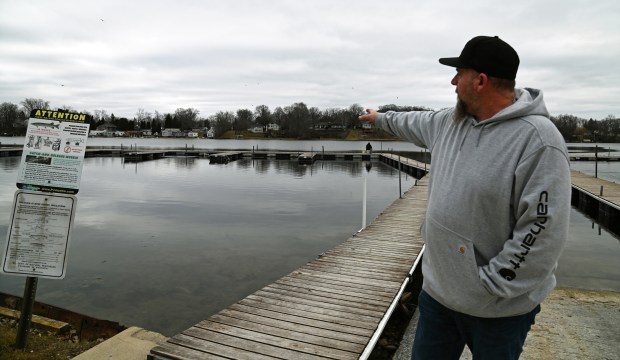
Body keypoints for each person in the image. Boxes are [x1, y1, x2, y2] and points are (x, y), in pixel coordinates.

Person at [359, 35, 571, 360]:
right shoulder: (449, 122)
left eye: (459, 73)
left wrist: (488, 284)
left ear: (480, 81)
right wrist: (380, 118)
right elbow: (412, 120)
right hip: (438, 297)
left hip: (498, 311)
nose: (453, 81)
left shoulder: (539, 141)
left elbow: (543, 229)